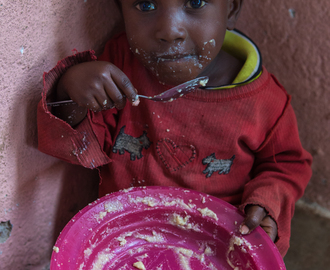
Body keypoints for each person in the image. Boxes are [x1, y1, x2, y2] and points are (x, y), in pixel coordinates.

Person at [37, 0, 312, 257]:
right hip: (125, 244)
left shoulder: (264, 102)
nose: (169, 31)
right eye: (146, 5)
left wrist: (266, 204)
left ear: (231, 8)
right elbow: (80, 145)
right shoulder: (120, 68)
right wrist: (71, 91)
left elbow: (287, 166)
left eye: (195, 2)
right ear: (121, 10)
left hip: (219, 251)